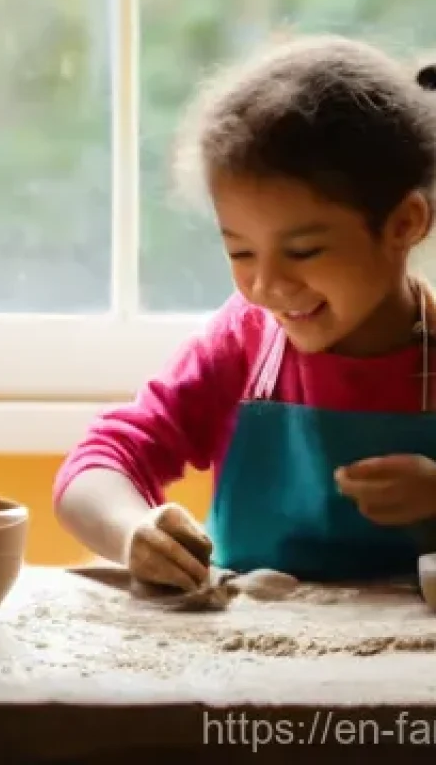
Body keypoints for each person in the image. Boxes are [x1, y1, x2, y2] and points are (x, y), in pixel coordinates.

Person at [54, 34, 436, 590]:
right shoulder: (242, 344)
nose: (266, 285)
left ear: (405, 224)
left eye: (304, 251)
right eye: (240, 252)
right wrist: (134, 532)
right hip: (250, 661)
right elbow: (97, 463)